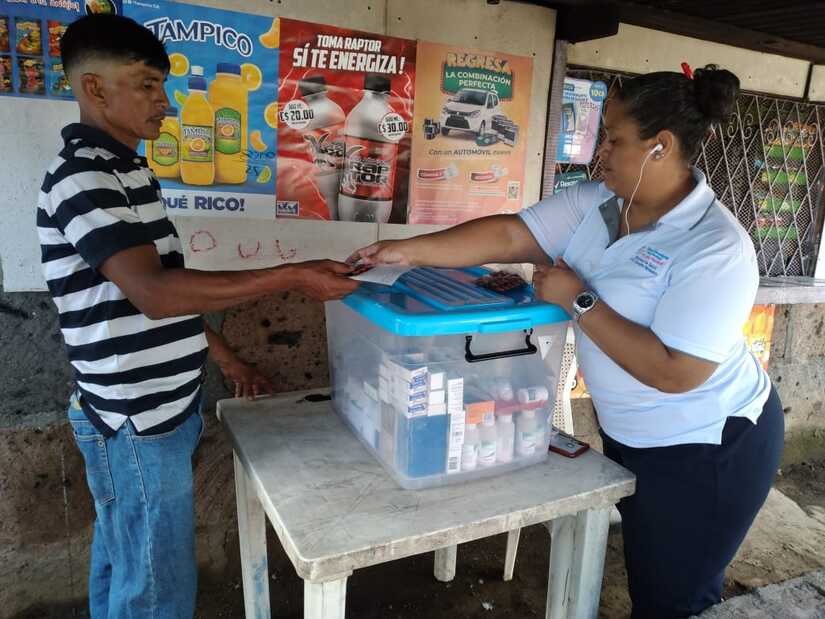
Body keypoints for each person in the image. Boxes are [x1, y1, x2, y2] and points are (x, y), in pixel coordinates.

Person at [350, 65, 783, 618]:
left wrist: (579, 300)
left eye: (615, 139)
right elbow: (512, 234)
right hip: (632, 433)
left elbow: (677, 373)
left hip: (707, 444)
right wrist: (407, 251)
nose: (601, 152)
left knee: (675, 598)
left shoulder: (716, 246)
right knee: (651, 574)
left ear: (661, 146)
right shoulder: (601, 203)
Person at [37, 15, 358, 617]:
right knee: (155, 588)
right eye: (146, 84)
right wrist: (293, 275)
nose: (164, 102)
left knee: (125, 558)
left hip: (157, 410)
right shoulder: (85, 176)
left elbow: (163, 294)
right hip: (134, 420)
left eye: (163, 85)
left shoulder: (129, 172)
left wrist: (227, 358)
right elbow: (155, 294)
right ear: (95, 88)